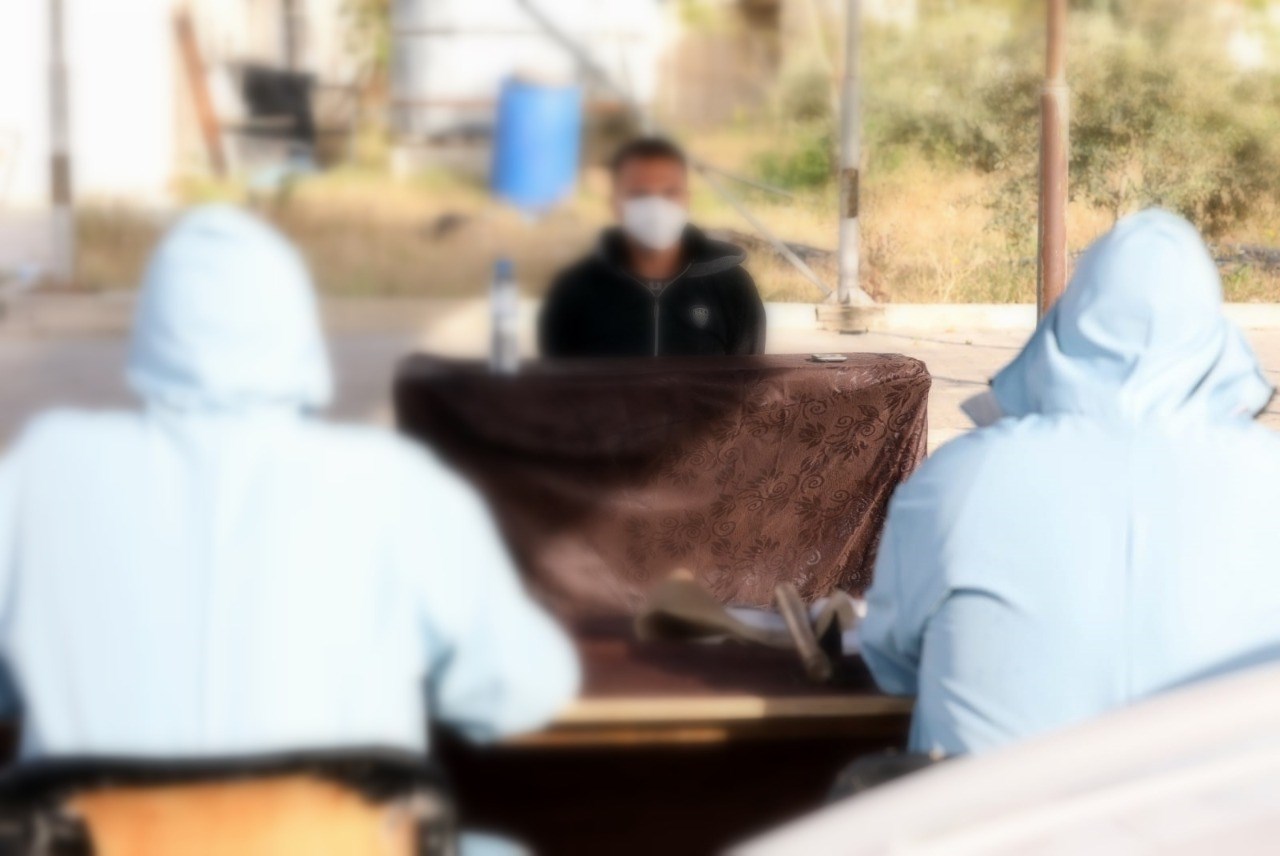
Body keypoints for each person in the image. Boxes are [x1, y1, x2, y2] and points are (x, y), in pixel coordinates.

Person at [0, 206, 579, 768]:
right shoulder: (395, 483)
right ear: (298, 326)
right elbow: (516, 689)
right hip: (339, 825)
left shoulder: (40, 472)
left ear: (151, 330)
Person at [860, 209, 1280, 757]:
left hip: (996, 808)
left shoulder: (961, 478)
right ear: (1220, 344)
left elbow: (891, 664)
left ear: (1062, 329)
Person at [538, 136, 766, 358]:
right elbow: (562, 379)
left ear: (687, 200)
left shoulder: (732, 287)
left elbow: (748, 378)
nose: (656, 207)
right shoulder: (576, 289)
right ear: (615, 203)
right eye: (639, 194)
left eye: (670, 193)